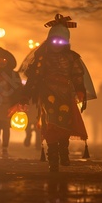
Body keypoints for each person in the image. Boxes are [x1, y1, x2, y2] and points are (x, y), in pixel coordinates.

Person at [21, 14, 93, 172]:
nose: (57, 44)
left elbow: (77, 76)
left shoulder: (72, 58)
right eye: (55, 40)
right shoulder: (42, 58)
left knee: (65, 125)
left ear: (66, 42)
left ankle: (63, 152)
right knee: (51, 125)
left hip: (66, 95)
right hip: (48, 95)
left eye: (61, 41)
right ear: (49, 40)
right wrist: (25, 95)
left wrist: (80, 90)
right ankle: (52, 157)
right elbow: (34, 78)